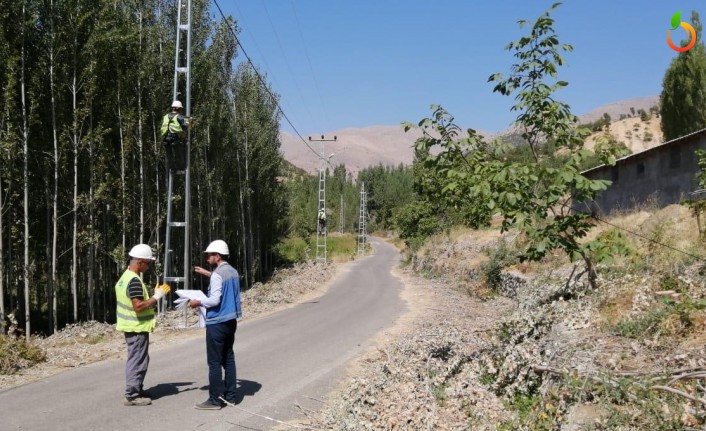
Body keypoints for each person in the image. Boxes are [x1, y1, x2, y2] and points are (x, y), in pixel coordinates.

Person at [115, 244, 170, 406]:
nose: (149, 266)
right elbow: (138, 307)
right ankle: (132, 394)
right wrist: (156, 297)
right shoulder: (134, 281)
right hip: (136, 327)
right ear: (139, 262)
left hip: (131, 326)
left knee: (140, 358)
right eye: (148, 263)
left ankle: (136, 388)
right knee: (137, 360)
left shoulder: (125, 277)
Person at [190, 239, 242, 410]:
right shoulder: (233, 272)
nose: (207, 259)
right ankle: (231, 397)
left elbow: (214, 299)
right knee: (228, 358)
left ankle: (214, 400)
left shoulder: (218, 275)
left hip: (217, 322)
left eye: (209, 256)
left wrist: (198, 302)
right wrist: (207, 273)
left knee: (214, 362)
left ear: (217, 257)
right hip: (230, 321)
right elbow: (221, 282)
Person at [160, 100, 189, 171]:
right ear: (179, 109)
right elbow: (188, 125)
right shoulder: (179, 117)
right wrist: (190, 119)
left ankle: (173, 169)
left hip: (166, 139)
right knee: (180, 155)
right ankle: (181, 169)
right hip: (175, 139)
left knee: (169, 157)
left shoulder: (165, 116)